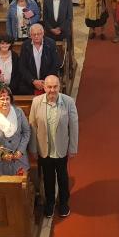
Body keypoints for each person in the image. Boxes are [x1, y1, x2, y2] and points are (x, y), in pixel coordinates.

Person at [28, 75, 79, 217]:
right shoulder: (36, 102)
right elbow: (32, 126)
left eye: (55, 86)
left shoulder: (68, 102)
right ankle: (50, 203)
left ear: (59, 86)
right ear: (44, 87)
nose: (52, 90)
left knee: (62, 177)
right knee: (48, 178)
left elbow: (73, 126)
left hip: (61, 148)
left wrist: (73, 148)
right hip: (44, 149)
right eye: (49, 87)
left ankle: (63, 203)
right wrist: (33, 148)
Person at [0, 86, 31, 175]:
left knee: (20, 188)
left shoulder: (19, 112)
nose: (5, 102)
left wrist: (20, 150)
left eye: (7, 99)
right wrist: (1, 153)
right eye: (2, 99)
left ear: (10, 100)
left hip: (19, 160)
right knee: (1, 189)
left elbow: (26, 132)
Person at [18, 24, 61, 95]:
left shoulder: (51, 43)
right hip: (30, 83)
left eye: (39, 34)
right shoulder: (25, 45)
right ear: (30, 35)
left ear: (43, 33)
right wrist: (33, 81)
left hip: (48, 82)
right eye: (34, 34)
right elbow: (22, 66)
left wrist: (46, 81)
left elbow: (55, 64)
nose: (36, 36)